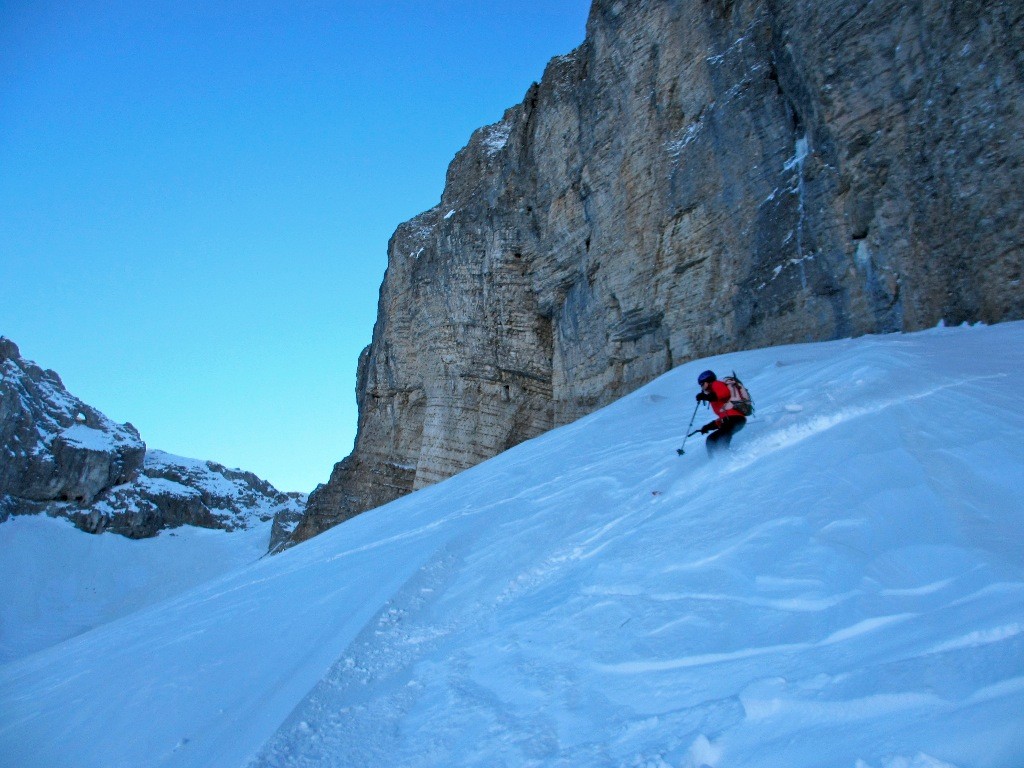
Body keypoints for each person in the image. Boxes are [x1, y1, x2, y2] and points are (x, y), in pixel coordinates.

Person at [695, 370, 746, 457]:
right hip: (733, 420)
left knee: (721, 436)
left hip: (734, 419)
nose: (702, 387)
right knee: (711, 439)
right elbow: (724, 417)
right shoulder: (713, 394)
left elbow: (723, 393)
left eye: (702, 384)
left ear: (708, 381)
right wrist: (708, 427)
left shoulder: (716, 384)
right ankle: (716, 460)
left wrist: (705, 397)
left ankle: (726, 458)